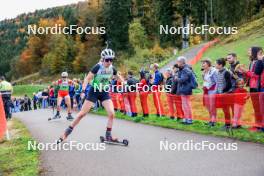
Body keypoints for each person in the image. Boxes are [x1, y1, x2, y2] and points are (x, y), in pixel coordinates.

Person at [58, 48, 124, 143]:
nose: (109, 62)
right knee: (82, 114)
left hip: (104, 92)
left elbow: (118, 76)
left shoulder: (112, 68)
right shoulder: (98, 67)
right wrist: (83, 90)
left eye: (111, 60)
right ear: (103, 59)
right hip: (94, 91)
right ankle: (66, 133)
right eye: (107, 60)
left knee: (112, 113)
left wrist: (125, 83)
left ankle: (108, 136)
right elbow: (87, 79)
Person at [238, 47, 263, 131]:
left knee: (259, 108)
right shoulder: (252, 62)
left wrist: (245, 71)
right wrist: (243, 72)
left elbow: (256, 75)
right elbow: (250, 75)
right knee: (256, 108)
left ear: (255, 52)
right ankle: (257, 125)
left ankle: (260, 126)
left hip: (257, 87)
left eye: (250, 51)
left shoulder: (259, 62)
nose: (248, 52)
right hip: (252, 87)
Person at [175, 56, 194, 125]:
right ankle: (186, 118)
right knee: (185, 105)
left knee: (186, 105)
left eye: (178, 62)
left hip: (186, 89)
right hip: (184, 88)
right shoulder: (183, 69)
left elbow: (183, 79)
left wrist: (176, 78)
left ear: (181, 62)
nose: (177, 63)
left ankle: (189, 119)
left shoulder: (185, 69)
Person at [215, 58, 232, 129]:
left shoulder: (226, 72)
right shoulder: (218, 72)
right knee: (224, 109)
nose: (215, 65)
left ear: (220, 65)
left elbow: (229, 84)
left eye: (216, 64)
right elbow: (218, 83)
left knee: (226, 109)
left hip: (225, 94)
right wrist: (217, 92)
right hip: (220, 94)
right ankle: (226, 124)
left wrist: (224, 92)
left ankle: (228, 124)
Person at [201, 59, 217, 126]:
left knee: (212, 106)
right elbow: (205, 81)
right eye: (202, 64)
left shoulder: (213, 71)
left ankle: (213, 121)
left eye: (204, 63)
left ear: (208, 64)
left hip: (212, 91)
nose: (202, 65)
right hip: (206, 90)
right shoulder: (204, 72)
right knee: (208, 106)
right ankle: (210, 119)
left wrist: (216, 91)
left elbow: (217, 82)